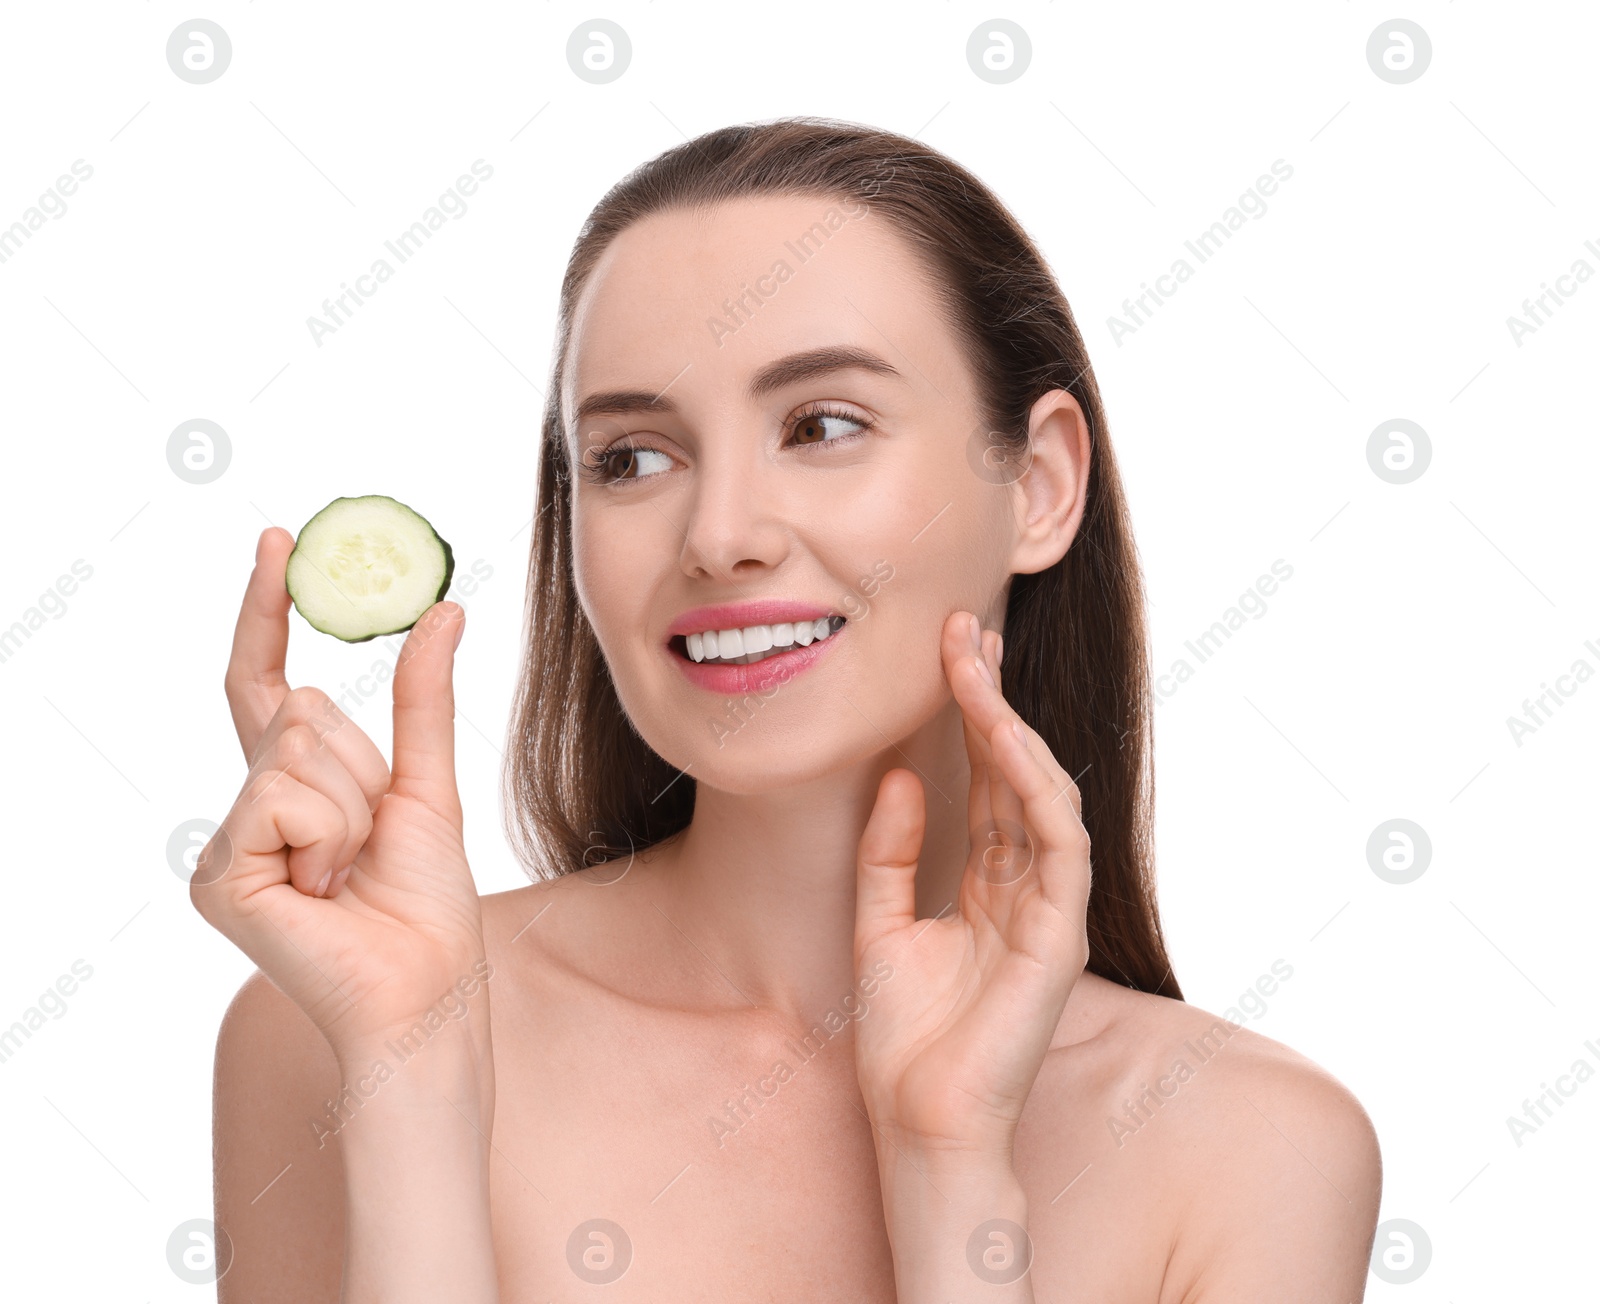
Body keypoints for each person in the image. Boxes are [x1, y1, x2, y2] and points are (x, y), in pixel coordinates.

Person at [194, 117, 1381, 1301]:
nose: (719, 536)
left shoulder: (1255, 1149)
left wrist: (951, 1165)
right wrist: (416, 1081)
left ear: (1037, 482)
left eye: (821, 426)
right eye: (631, 458)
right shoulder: (331, 1025)